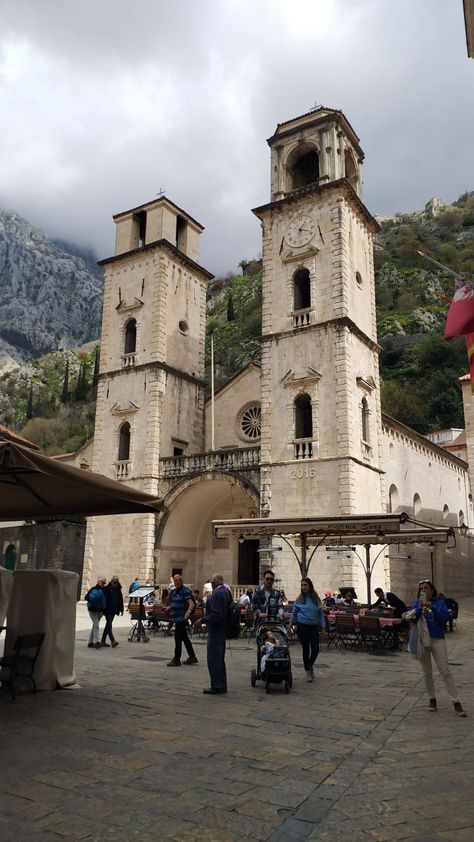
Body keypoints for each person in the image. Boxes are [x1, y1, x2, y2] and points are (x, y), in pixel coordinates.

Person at [411, 580, 466, 716]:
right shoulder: (417, 602)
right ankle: (432, 699)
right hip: (423, 640)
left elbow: (444, 620)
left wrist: (432, 608)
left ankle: (456, 702)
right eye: (421, 589)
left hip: (437, 640)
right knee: (426, 672)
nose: (424, 590)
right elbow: (411, 618)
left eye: (426, 588)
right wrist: (419, 608)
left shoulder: (439, 603)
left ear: (431, 589)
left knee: (445, 670)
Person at [202, 572, 231, 694]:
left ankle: (217, 686)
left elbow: (216, 614)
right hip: (222, 629)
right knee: (219, 659)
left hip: (216, 630)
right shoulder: (226, 592)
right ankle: (221, 685)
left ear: (214, 583)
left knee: (213, 659)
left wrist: (202, 620)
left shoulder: (218, 594)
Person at [290, 578, 325, 682]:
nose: (303, 587)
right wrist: (290, 625)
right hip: (302, 626)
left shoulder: (316, 598)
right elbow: (294, 612)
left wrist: (323, 627)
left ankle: (309, 665)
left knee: (315, 649)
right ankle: (307, 671)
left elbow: (320, 614)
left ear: (310, 585)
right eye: (302, 585)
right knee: (306, 649)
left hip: (313, 627)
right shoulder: (299, 598)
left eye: (305, 585)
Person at [166, 574, 198, 666]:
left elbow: (191, 603)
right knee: (184, 638)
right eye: (175, 580)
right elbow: (176, 602)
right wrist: (169, 607)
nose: (177, 582)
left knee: (178, 638)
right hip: (176, 618)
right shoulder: (175, 591)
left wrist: (188, 612)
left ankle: (176, 659)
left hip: (182, 618)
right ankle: (192, 657)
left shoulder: (185, 591)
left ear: (182, 581)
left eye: (179, 580)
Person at [101, 576, 124, 647]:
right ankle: (113, 640)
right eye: (114, 582)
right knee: (109, 624)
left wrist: (122, 609)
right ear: (111, 581)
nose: (116, 584)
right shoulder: (106, 588)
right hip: (107, 610)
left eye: (117, 582)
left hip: (114, 610)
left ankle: (103, 641)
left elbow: (120, 600)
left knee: (108, 625)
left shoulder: (118, 589)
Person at [85, 576, 107, 649]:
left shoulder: (103, 590)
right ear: (99, 581)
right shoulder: (93, 589)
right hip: (93, 610)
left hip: (100, 611)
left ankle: (90, 642)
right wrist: (93, 599)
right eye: (103, 582)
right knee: (96, 625)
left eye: (104, 583)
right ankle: (96, 641)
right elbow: (87, 597)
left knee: (94, 626)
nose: (103, 584)